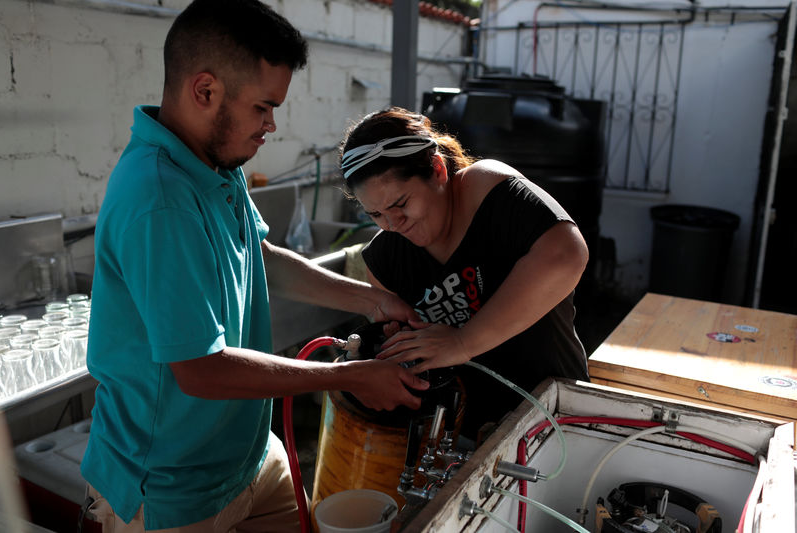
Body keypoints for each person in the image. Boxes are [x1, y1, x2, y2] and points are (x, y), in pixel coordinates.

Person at [79, 2, 428, 531]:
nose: (271, 125)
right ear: (205, 91)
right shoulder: (159, 199)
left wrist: (373, 299)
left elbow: (259, 258)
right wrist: (351, 375)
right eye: (263, 107)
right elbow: (202, 369)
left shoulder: (213, 159)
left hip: (248, 457)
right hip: (171, 489)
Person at [339, 107, 590, 441]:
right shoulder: (384, 260)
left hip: (556, 413)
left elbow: (566, 254)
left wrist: (463, 341)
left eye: (400, 204)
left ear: (438, 170)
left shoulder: (484, 188)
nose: (393, 224)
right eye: (376, 214)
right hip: (465, 436)